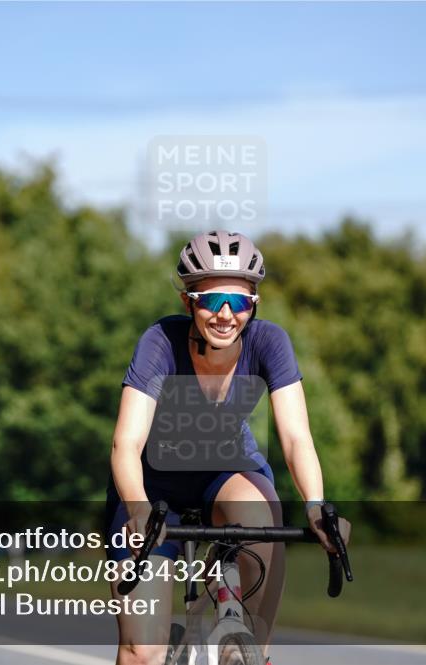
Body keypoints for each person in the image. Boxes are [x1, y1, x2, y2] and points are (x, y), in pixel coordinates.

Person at [105, 230, 350, 665]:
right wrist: (139, 510)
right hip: (150, 489)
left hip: (225, 473)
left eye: (237, 302)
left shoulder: (270, 343)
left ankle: (250, 650)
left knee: (262, 512)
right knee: (142, 651)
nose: (224, 314)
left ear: (253, 304)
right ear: (188, 303)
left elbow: (295, 438)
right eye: (210, 300)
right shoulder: (159, 342)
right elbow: (126, 443)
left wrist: (315, 506)